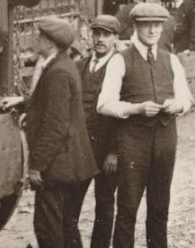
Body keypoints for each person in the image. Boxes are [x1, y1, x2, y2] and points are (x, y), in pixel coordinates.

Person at [97, 3, 193, 248]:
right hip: (132, 142)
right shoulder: (120, 60)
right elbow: (104, 104)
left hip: (165, 140)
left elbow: (187, 97)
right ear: (136, 26)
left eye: (158, 25)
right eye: (147, 25)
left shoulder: (170, 59)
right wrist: (134, 109)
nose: (153, 30)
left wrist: (178, 105)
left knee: (160, 206)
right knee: (128, 208)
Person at [24, 17, 98, 248]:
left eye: (39, 36)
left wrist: (37, 165)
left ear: (50, 42)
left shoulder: (57, 72)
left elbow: (55, 125)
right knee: (67, 226)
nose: (35, 39)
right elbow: (51, 105)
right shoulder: (63, 65)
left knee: (48, 230)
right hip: (72, 164)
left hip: (58, 166)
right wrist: (22, 103)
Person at [69, 15, 122, 248]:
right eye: (97, 34)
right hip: (81, 149)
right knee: (70, 207)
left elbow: (123, 116)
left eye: (106, 35)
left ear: (115, 39)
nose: (100, 39)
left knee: (104, 206)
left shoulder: (120, 67)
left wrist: (115, 151)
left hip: (106, 151)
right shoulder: (79, 66)